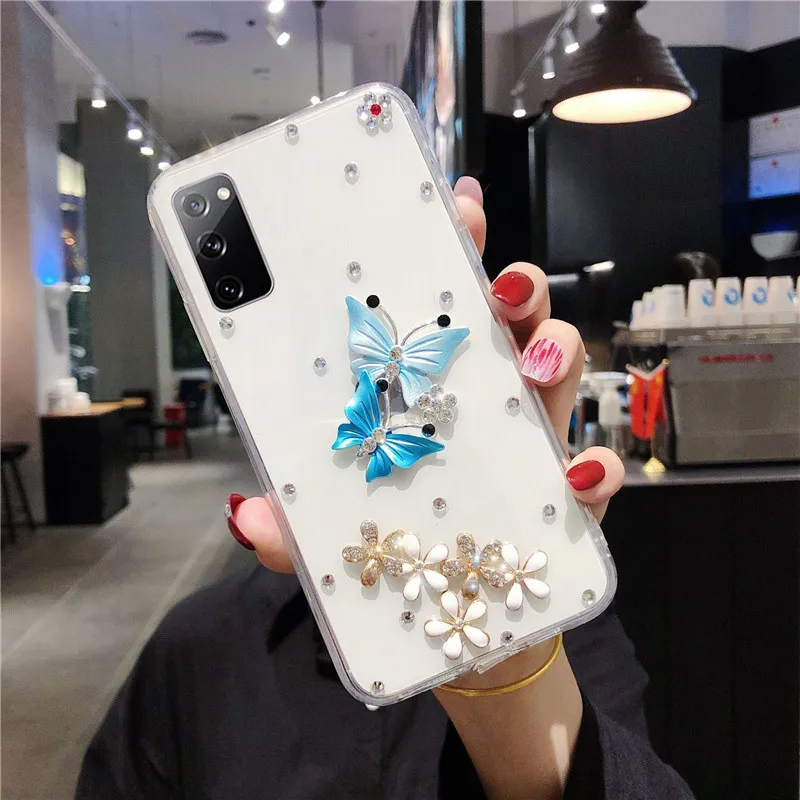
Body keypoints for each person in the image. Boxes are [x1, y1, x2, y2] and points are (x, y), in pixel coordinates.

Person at [76, 178, 694, 800]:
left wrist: (509, 683)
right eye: (313, 364)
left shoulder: (563, 627)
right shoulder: (194, 655)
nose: (354, 384)